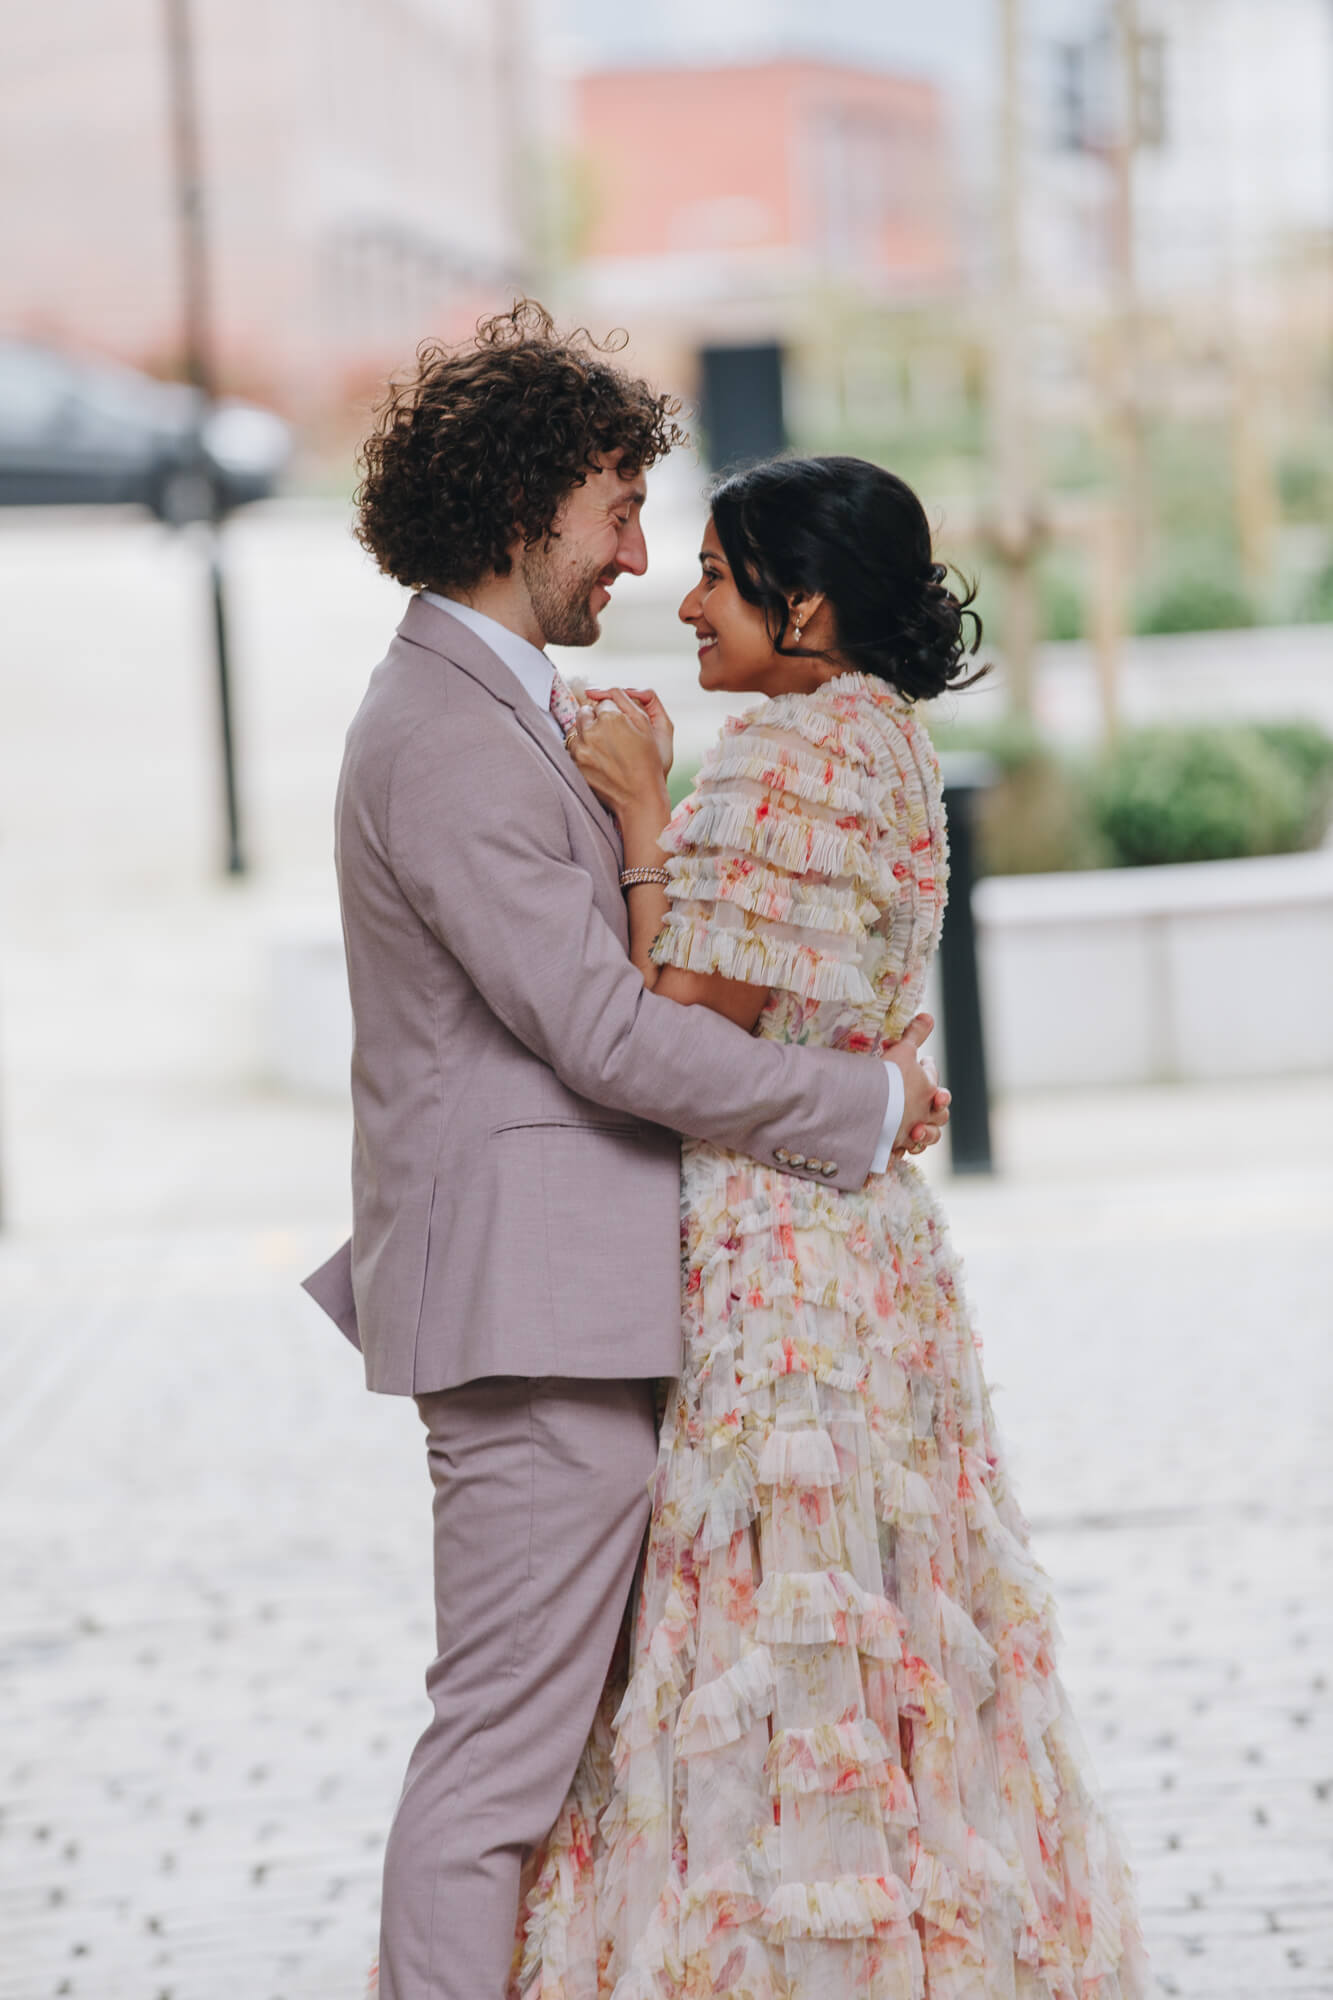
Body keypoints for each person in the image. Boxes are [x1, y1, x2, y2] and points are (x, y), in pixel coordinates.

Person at [299, 304, 950, 2000]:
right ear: (525, 510)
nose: (638, 555)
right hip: (530, 1320)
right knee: (499, 1770)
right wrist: (862, 1107)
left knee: (561, 1769)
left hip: (587, 1307)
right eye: (615, 507)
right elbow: (601, 1032)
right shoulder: (442, 733)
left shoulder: (508, 712)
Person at [517, 455, 1155, 1999]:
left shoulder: (778, 758)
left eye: (722, 575)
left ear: (803, 604)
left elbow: (678, 1029)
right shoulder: (887, 742)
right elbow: (831, 1014)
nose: (685, 596)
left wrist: (641, 817)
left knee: (772, 1634)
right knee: (900, 1645)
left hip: (774, 1263)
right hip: (870, 1250)